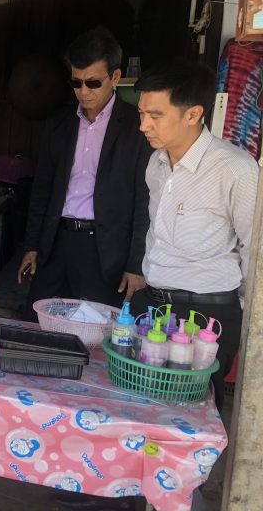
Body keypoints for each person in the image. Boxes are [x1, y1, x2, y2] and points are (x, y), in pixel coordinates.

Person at [133, 59, 258, 412]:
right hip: (152, 305)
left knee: (190, 417)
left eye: (155, 115)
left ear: (193, 114)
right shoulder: (157, 163)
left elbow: (255, 252)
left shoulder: (235, 169)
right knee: (138, 407)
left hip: (205, 315)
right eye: (141, 113)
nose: (143, 125)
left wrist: (240, 314)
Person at [19, 27, 152, 317]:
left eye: (93, 82)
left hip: (105, 250)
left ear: (115, 77)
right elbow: (42, 189)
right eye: (76, 83)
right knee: (39, 322)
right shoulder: (59, 123)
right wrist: (32, 246)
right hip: (56, 243)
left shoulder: (138, 128)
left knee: (96, 327)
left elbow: (145, 201)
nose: (84, 91)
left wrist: (136, 264)